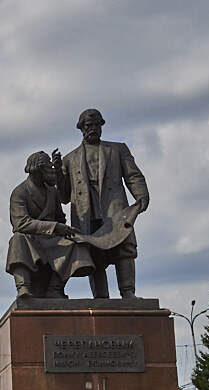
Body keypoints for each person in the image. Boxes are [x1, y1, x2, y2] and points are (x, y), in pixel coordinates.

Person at [57, 109, 149, 299]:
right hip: (86, 212)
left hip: (114, 209)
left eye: (97, 125)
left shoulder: (118, 150)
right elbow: (64, 196)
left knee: (125, 249)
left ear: (101, 126)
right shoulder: (69, 159)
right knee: (94, 255)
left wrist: (141, 196)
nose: (93, 129)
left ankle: (128, 292)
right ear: (81, 129)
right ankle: (101, 298)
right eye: (89, 126)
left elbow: (133, 175)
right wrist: (58, 172)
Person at [6, 151, 94, 298]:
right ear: (39, 169)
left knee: (76, 243)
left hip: (51, 240)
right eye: (49, 167)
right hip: (31, 241)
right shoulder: (20, 192)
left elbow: (60, 218)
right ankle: (23, 287)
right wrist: (53, 227)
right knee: (17, 240)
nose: (52, 171)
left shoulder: (52, 192)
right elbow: (20, 223)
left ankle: (55, 289)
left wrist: (63, 229)